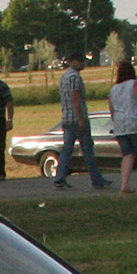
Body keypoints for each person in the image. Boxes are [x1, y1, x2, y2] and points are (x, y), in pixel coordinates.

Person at [54, 52, 108, 190]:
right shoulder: (74, 77)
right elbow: (76, 99)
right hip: (77, 120)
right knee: (88, 150)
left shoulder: (64, 77)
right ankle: (97, 179)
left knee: (67, 150)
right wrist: (81, 119)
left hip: (66, 119)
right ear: (73, 61)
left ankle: (60, 177)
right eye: (80, 61)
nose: (83, 63)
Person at [107, 61, 137, 194]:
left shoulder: (113, 89)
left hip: (120, 125)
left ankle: (124, 185)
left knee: (127, 155)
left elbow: (112, 110)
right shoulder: (135, 85)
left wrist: (115, 123)